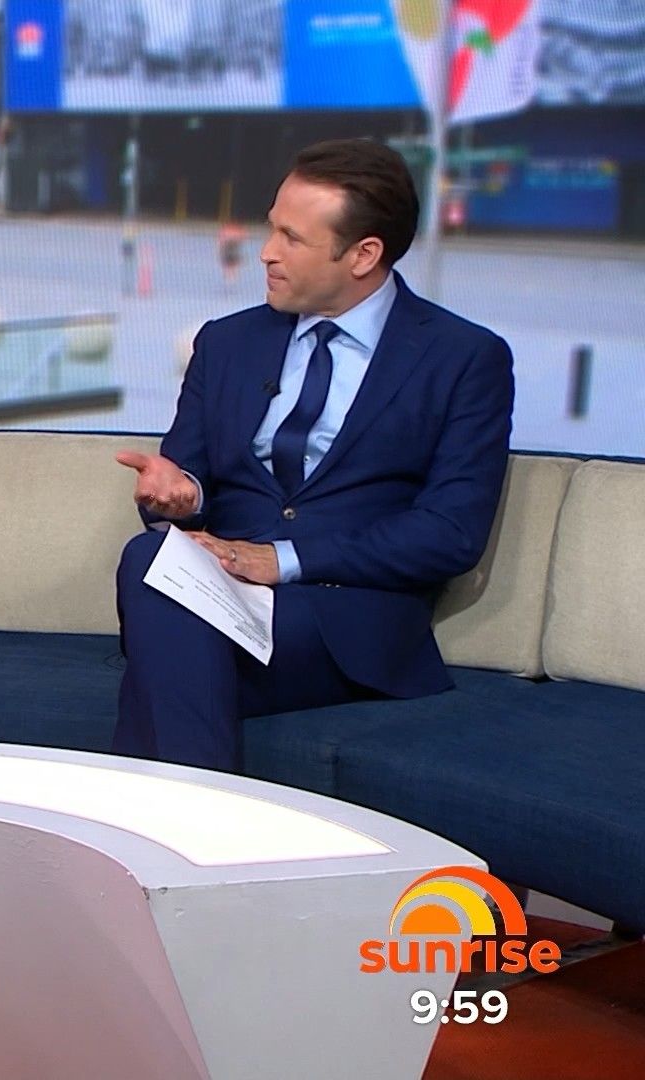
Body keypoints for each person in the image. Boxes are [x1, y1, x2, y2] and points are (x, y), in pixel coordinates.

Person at [111, 138, 514, 771]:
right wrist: (182, 497)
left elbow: (450, 532)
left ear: (363, 254)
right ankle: (201, 824)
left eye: (291, 238)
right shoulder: (226, 343)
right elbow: (188, 484)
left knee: (163, 658)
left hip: (343, 619)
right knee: (151, 558)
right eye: (272, 228)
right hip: (220, 598)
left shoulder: (463, 359)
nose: (266, 252)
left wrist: (282, 560)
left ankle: (183, 815)